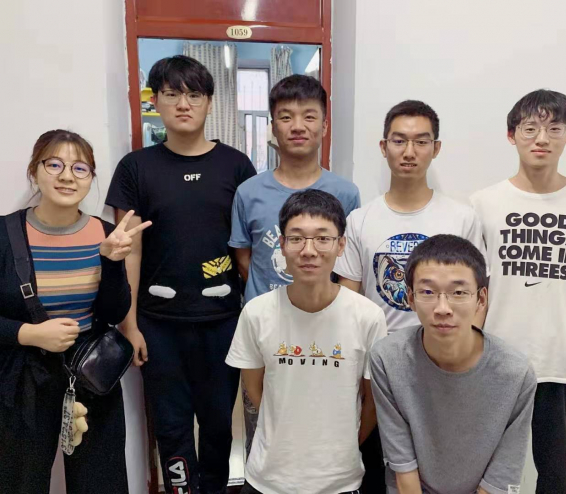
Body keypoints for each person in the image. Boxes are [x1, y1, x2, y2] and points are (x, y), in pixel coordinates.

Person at [106, 55, 256, 494]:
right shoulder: (136, 167)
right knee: (171, 428)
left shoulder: (236, 165)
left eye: (194, 94)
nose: (183, 104)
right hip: (158, 324)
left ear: (209, 102)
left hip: (223, 321)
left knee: (218, 426)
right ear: (155, 101)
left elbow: (246, 251)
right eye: (171, 94)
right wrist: (130, 324)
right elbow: (129, 251)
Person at [470, 89, 566, 493]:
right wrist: (468, 358)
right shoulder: (483, 203)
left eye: (554, 128)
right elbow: (476, 290)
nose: (542, 138)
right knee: (485, 479)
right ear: (511, 135)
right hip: (497, 363)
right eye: (530, 128)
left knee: (559, 481)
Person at [333, 100, 486, 489]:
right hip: (377, 371)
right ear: (383, 147)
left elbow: (476, 296)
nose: (409, 151)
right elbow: (349, 300)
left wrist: (463, 359)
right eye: (399, 140)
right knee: (373, 468)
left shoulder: (461, 217)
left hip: (441, 366)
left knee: (439, 470)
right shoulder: (360, 220)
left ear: (436, 148)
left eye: (421, 141)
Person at [0, 129, 149, 493]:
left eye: (80, 168)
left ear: (90, 178)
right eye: (55, 164)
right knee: (20, 480)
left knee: (100, 482)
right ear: (34, 171)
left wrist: (112, 262)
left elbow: (114, 311)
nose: (67, 176)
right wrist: (29, 333)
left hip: (90, 372)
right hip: (23, 378)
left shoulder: (107, 233)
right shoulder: (5, 234)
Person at [229, 74, 360, 454]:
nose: (298, 126)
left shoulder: (346, 193)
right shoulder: (249, 192)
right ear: (273, 127)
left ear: (324, 125)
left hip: (328, 333)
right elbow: (245, 258)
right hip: (268, 332)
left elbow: (348, 263)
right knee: (265, 432)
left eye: (309, 116)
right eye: (286, 117)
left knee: (324, 432)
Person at [226, 190, 387, 494]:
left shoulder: (368, 317)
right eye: (297, 238)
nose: (309, 250)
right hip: (268, 479)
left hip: (339, 481)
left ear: (341, 245)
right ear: (282, 244)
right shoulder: (257, 313)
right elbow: (253, 389)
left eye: (323, 238)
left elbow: (371, 402)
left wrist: (342, 447)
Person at [370, 234, 537, 494]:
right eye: (427, 292)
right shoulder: (388, 359)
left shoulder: (516, 373)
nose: (443, 308)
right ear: (410, 298)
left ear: (481, 299)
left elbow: (502, 474)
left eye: (458, 293)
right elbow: (402, 467)